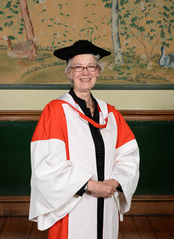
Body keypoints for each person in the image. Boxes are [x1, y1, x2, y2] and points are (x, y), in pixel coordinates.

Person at [29, 40, 140, 239]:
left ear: (98, 71)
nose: (85, 73)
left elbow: (128, 155)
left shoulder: (111, 113)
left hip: (106, 202)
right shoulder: (55, 111)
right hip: (72, 205)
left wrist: (114, 183)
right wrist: (90, 185)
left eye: (91, 67)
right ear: (69, 73)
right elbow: (47, 165)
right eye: (78, 67)